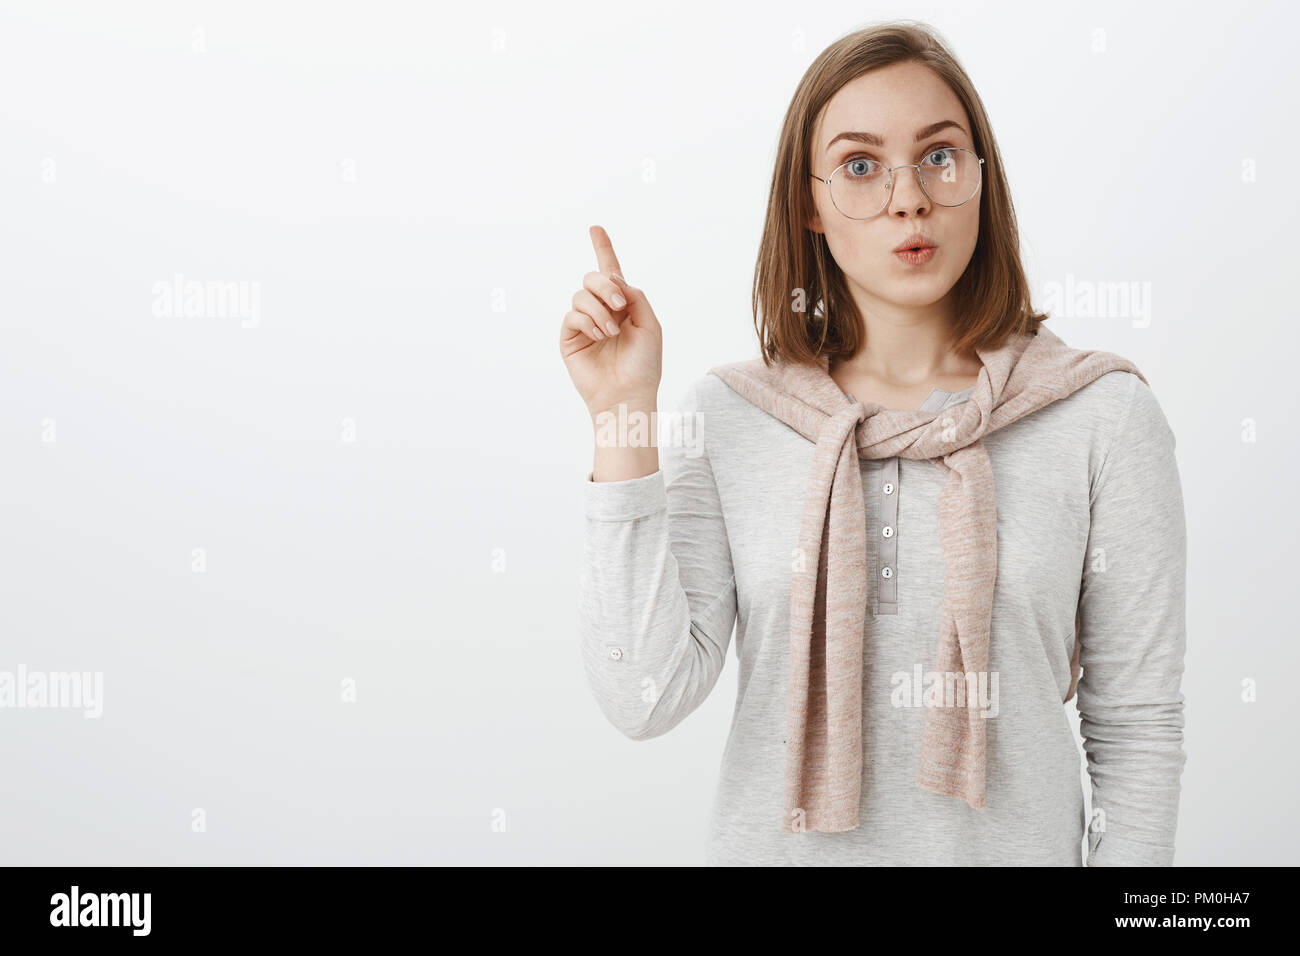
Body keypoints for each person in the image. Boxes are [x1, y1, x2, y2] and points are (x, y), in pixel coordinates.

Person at [559, 20, 1187, 866]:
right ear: (809, 205)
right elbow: (645, 695)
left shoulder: (1100, 416)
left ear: (979, 177)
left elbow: (1137, 729)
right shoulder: (736, 416)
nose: (909, 198)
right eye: (861, 165)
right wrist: (622, 412)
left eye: (939, 155)